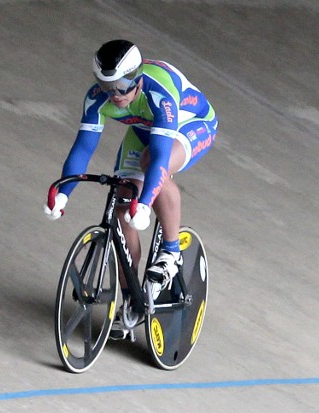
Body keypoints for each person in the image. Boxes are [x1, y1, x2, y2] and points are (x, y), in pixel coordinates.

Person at [44, 39, 218, 339]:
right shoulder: (98, 99)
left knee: (152, 163)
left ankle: (171, 251)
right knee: (124, 204)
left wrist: (147, 201)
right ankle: (132, 303)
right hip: (145, 129)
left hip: (191, 123)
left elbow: (161, 156)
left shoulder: (159, 92)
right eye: (106, 86)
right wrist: (63, 192)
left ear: (137, 78)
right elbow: (83, 148)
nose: (115, 95)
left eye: (122, 85)